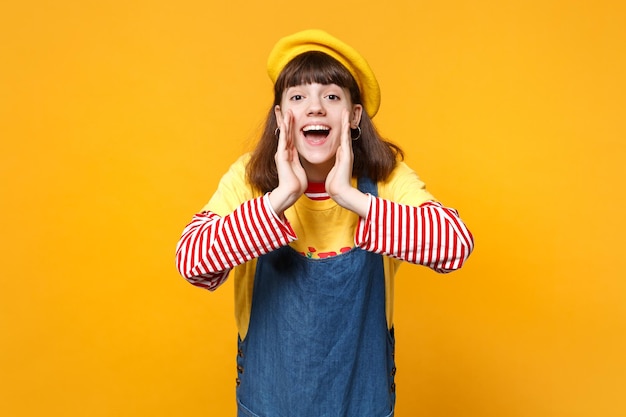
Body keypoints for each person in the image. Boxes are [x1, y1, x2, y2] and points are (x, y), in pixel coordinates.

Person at [175, 29, 474, 417]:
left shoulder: (385, 182)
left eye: (331, 96)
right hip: (268, 405)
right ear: (282, 118)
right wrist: (280, 198)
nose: (315, 107)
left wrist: (352, 199)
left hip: (362, 404)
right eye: (298, 97)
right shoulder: (248, 180)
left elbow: (454, 246)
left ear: (353, 116)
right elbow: (193, 264)